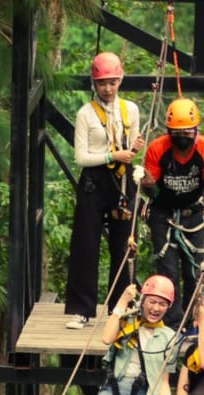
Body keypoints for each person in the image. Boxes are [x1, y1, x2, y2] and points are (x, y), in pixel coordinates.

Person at [64, 51, 146, 329]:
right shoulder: (85, 114)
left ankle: (120, 307)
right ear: (94, 84)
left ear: (120, 79)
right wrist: (114, 156)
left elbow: (131, 147)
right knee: (86, 245)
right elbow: (81, 157)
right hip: (93, 181)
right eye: (102, 83)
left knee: (124, 244)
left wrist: (133, 150)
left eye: (112, 82)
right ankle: (81, 310)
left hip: (122, 179)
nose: (107, 89)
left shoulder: (130, 110)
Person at [133, 98, 204, 329]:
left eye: (187, 132)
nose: (182, 137)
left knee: (194, 270)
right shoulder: (157, 149)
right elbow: (151, 187)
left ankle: (193, 320)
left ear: (196, 131)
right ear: (169, 132)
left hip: (192, 212)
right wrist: (143, 181)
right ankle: (172, 324)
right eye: (177, 133)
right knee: (168, 271)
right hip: (163, 212)